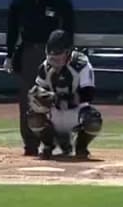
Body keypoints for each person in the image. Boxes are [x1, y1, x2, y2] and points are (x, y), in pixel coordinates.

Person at [5, 0, 75, 156]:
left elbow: (69, 30)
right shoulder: (22, 0)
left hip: (55, 55)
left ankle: (60, 142)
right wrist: (9, 55)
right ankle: (30, 143)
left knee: (58, 98)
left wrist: (67, 54)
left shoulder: (61, 1)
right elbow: (12, 30)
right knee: (29, 99)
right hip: (29, 53)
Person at [27, 30, 102, 159]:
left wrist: (59, 98)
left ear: (68, 52)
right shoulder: (45, 67)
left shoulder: (81, 64)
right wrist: (39, 97)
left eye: (58, 57)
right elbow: (39, 89)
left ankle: (81, 146)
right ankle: (48, 145)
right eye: (51, 58)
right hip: (54, 112)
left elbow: (88, 94)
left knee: (93, 120)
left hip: (76, 112)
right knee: (33, 116)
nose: (54, 61)